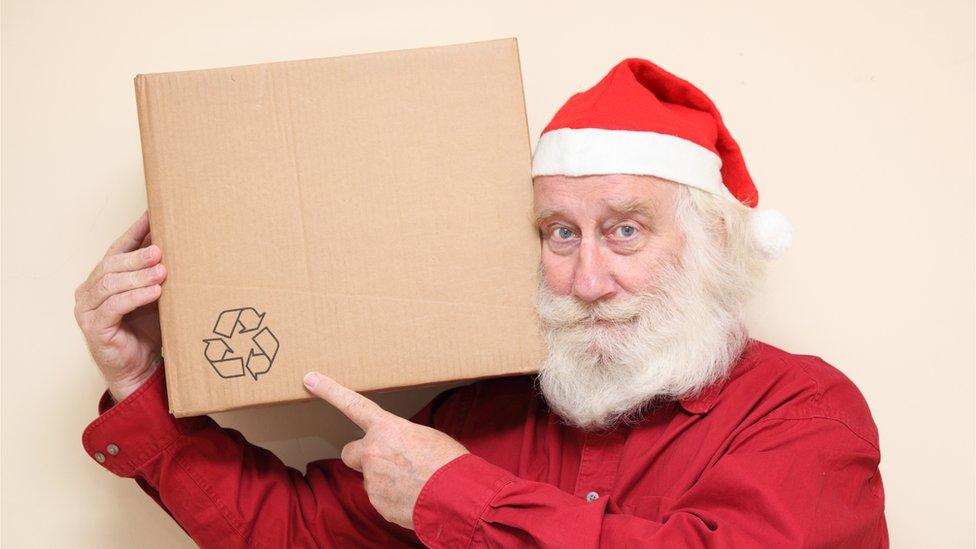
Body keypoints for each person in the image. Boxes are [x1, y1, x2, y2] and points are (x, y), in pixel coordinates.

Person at [76, 58, 888, 547]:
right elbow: (296, 534)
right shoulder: (481, 415)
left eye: (626, 230)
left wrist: (457, 496)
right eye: (559, 233)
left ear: (711, 242)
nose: (585, 278)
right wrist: (140, 379)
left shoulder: (803, 409)